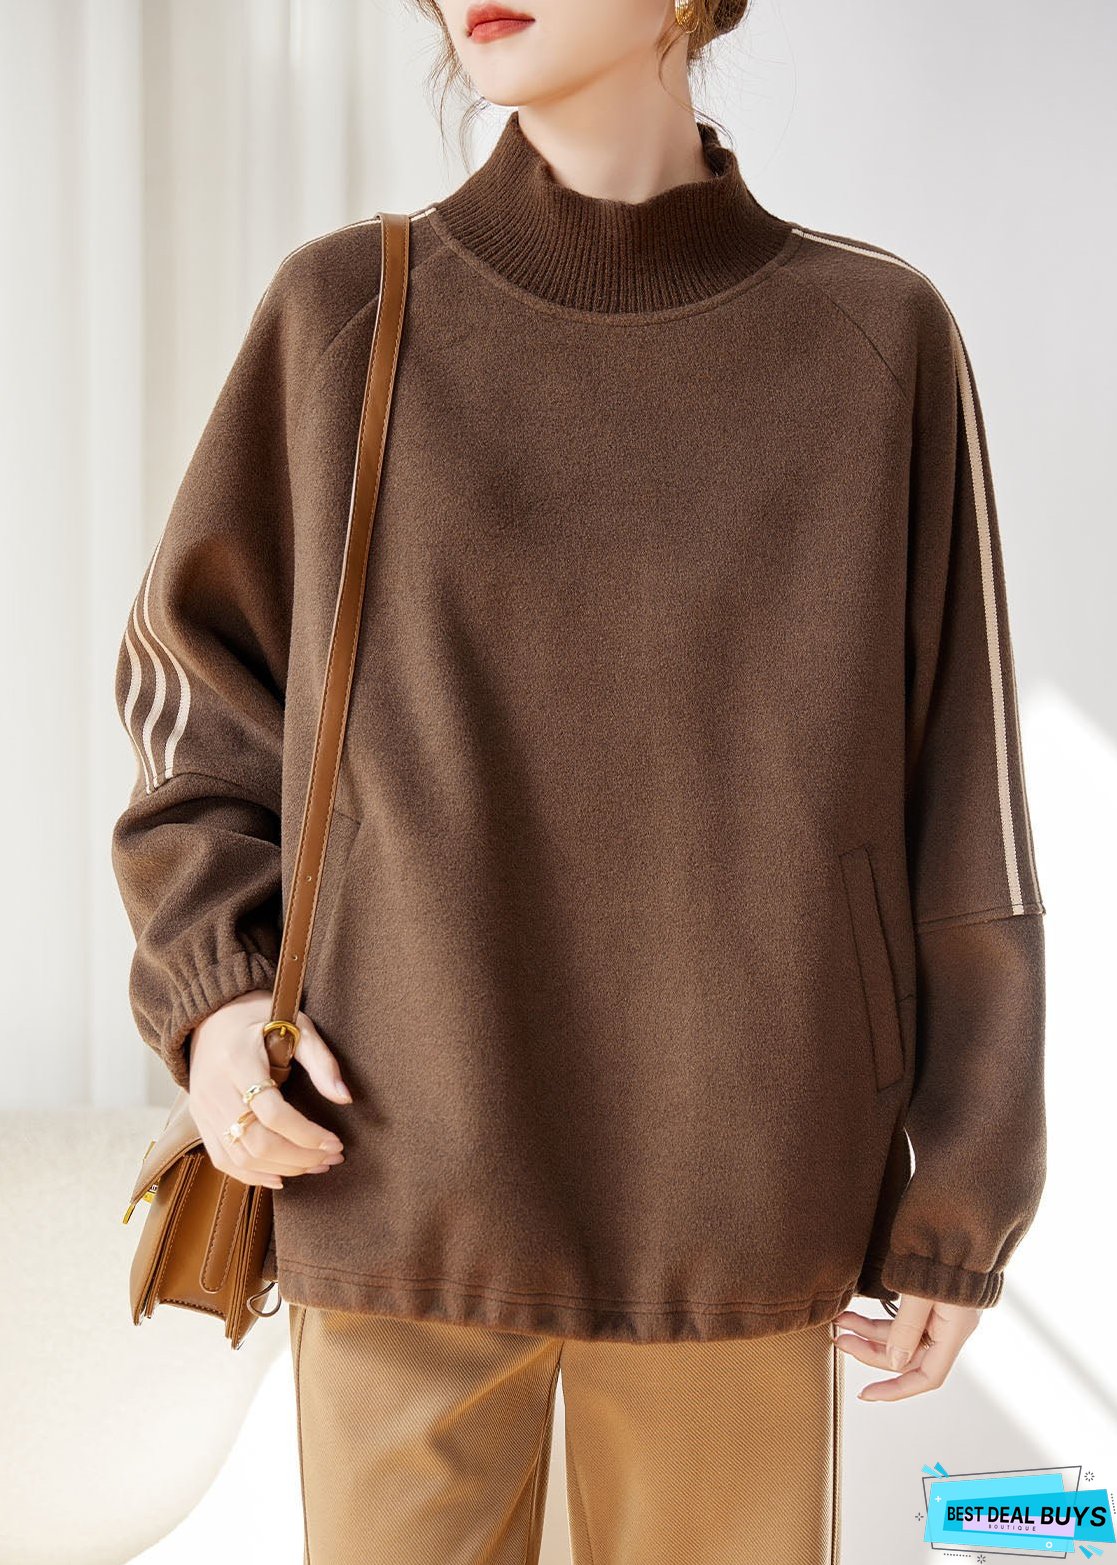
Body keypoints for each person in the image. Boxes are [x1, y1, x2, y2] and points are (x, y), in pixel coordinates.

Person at [110, 1, 1048, 1560]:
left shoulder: (875, 340)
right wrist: (215, 1002)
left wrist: (961, 1190)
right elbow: (197, 710)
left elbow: (964, 800)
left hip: (744, 1191)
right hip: (391, 1166)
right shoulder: (346, 312)